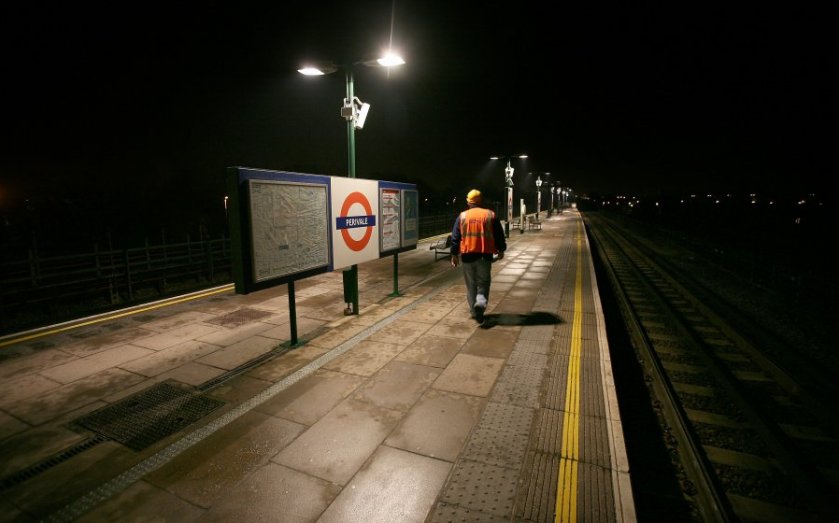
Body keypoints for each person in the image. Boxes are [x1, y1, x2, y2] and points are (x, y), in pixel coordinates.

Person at [450, 189, 506, 323]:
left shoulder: (462, 216)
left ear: (468, 202)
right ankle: (480, 305)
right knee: (484, 283)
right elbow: (499, 235)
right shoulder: (490, 215)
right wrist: (501, 249)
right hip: (485, 256)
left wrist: (454, 254)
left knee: (471, 285)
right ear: (481, 201)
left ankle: (474, 312)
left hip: (468, 256)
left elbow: (455, 237)